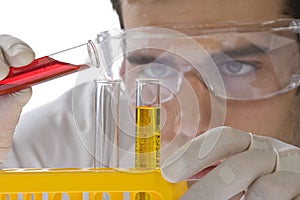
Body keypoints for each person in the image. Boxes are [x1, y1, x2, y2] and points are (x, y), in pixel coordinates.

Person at [1, 0, 300, 199]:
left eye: (237, 67)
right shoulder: (40, 150)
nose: (191, 128)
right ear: (123, 66)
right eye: (156, 68)